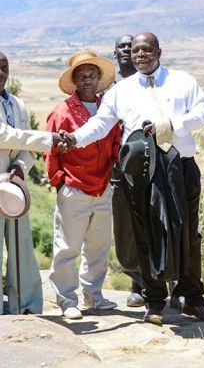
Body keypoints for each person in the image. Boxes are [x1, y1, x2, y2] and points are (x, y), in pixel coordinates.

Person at [63, 32, 204, 325]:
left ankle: (192, 298)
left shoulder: (182, 81)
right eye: (135, 51)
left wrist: (173, 124)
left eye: (146, 50)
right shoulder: (121, 91)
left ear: (158, 51)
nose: (140, 56)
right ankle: (155, 301)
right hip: (141, 173)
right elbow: (100, 124)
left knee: (188, 233)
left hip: (181, 167)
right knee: (146, 235)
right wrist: (75, 138)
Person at [0, 50, 70, 319]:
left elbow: (24, 149)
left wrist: (21, 167)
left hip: (15, 187)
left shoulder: (18, 105)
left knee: (22, 248)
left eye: (3, 68)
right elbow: (1, 136)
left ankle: (27, 306)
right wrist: (48, 138)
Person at [45, 50, 120, 320]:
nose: (87, 80)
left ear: (98, 78)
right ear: (74, 81)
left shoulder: (108, 110)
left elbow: (114, 143)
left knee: (98, 245)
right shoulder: (62, 112)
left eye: (92, 75)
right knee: (68, 246)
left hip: (102, 185)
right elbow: (51, 152)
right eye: (81, 76)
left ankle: (94, 295)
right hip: (74, 187)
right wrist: (60, 183)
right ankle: (66, 299)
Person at [109, 35, 145, 307]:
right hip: (118, 171)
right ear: (115, 53)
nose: (126, 50)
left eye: (130, 46)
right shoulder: (110, 90)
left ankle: (153, 284)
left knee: (153, 225)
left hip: (147, 167)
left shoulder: (148, 84)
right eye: (121, 46)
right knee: (125, 230)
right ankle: (136, 280)